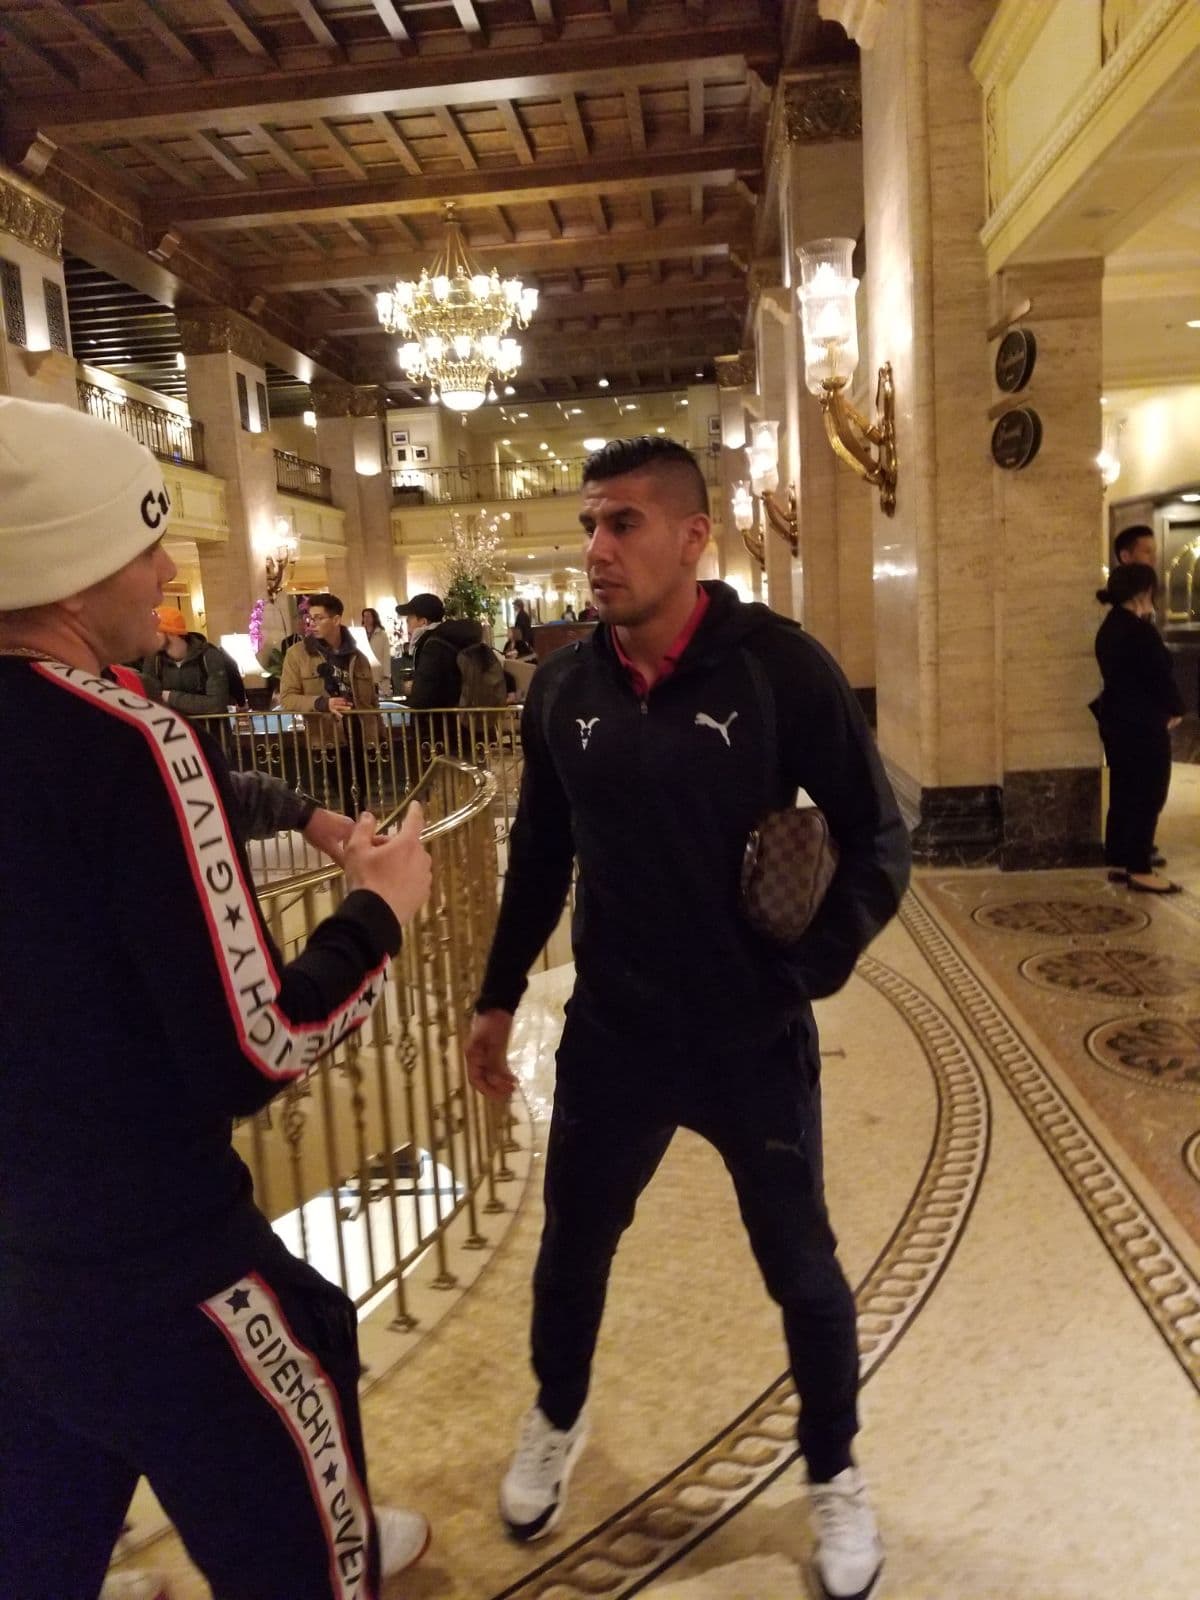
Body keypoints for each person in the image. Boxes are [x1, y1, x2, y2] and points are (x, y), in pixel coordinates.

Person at [0, 396, 434, 1600]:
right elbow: (262, 1046)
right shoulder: (130, 735)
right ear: (76, 576)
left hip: (23, 1268)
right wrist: (381, 911)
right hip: (168, 1268)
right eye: (145, 546)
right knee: (302, 1553)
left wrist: (301, 812)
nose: (163, 572)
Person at [466, 436, 910, 1600]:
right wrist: (496, 994)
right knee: (571, 1251)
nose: (596, 550)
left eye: (621, 523)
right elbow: (540, 858)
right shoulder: (564, 687)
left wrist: (812, 966)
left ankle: (835, 1473)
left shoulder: (777, 669)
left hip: (748, 1039)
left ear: (691, 536)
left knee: (802, 1270)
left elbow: (879, 836)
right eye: (588, 525)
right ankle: (557, 1417)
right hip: (615, 1034)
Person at [1094, 563, 1184, 894]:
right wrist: (1176, 708)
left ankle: (1119, 859)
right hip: (1144, 723)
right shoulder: (1138, 630)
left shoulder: (1109, 627)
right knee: (1149, 793)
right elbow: (1159, 674)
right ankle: (1139, 867)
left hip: (1117, 720)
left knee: (1124, 790)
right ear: (1143, 592)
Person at [280, 592, 383, 815]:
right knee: (338, 800)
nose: (312, 624)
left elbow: (371, 701)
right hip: (326, 739)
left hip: (361, 737)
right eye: (310, 618)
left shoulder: (358, 656)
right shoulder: (297, 654)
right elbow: (287, 697)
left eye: (319, 618)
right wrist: (321, 703)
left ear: (336, 619)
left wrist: (380, 734)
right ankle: (350, 844)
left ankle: (360, 842)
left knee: (360, 800)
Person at [398, 591, 488, 709]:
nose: (407, 624)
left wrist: (414, 691)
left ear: (423, 621)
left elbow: (425, 693)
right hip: (458, 715)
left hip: (439, 720)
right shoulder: (449, 638)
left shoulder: (432, 647)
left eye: (410, 618)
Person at [140, 605, 232, 718]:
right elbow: (149, 700)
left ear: (171, 632)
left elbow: (217, 704)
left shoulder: (209, 655)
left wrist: (169, 696)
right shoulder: (153, 659)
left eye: (155, 632)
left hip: (211, 732)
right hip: (175, 732)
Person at [361, 605, 393, 694]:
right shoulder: (360, 634)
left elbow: (386, 654)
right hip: (364, 671)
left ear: (374, 618)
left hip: (380, 672)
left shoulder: (382, 634)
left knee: (382, 696)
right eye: (364, 616)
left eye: (368, 616)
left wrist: (386, 673)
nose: (366, 619)